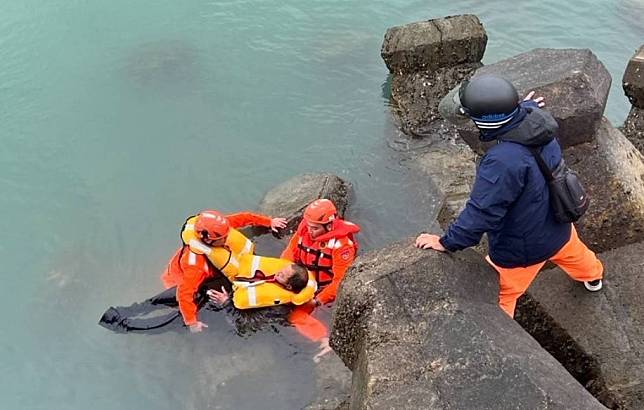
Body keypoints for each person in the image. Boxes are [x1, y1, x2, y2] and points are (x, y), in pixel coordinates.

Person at [415, 75, 604, 318]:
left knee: (503, 294)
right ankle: (595, 277)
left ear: (484, 122)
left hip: (521, 249)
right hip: (560, 224)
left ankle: (507, 336)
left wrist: (445, 242)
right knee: (579, 257)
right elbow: (523, 116)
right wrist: (525, 108)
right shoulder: (539, 121)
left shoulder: (501, 162)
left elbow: (481, 212)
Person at [161, 209, 287, 333]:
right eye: (224, 237)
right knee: (189, 304)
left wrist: (269, 222)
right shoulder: (195, 265)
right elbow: (184, 294)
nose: (227, 238)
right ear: (209, 240)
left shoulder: (215, 227)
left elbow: (244, 217)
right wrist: (192, 322)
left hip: (206, 269)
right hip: (178, 279)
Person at [281, 198, 360, 360]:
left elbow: (339, 281)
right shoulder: (306, 228)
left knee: (295, 316)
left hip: (323, 290)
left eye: (315, 228)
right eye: (309, 226)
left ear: (329, 225)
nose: (310, 231)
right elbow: (290, 253)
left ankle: (324, 339)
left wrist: (317, 300)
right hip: (301, 279)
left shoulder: (342, 245)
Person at [207, 262, 313, 309]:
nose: (277, 272)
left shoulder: (277, 306)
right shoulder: (276, 280)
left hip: (231, 305)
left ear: (289, 286)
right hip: (235, 290)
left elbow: (244, 324)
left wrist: (226, 304)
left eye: (282, 275)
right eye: (281, 269)